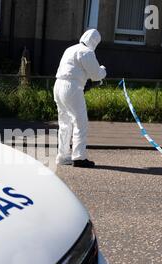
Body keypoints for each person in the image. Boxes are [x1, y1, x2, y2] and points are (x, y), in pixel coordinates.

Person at [54, 29, 106, 168]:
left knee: (65, 122)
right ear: (95, 42)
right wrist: (103, 70)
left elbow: (76, 69)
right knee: (80, 122)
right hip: (72, 88)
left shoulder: (70, 49)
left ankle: (62, 156)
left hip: (58, 85)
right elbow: (96, 75)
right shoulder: (87, 52)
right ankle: (79, 157)